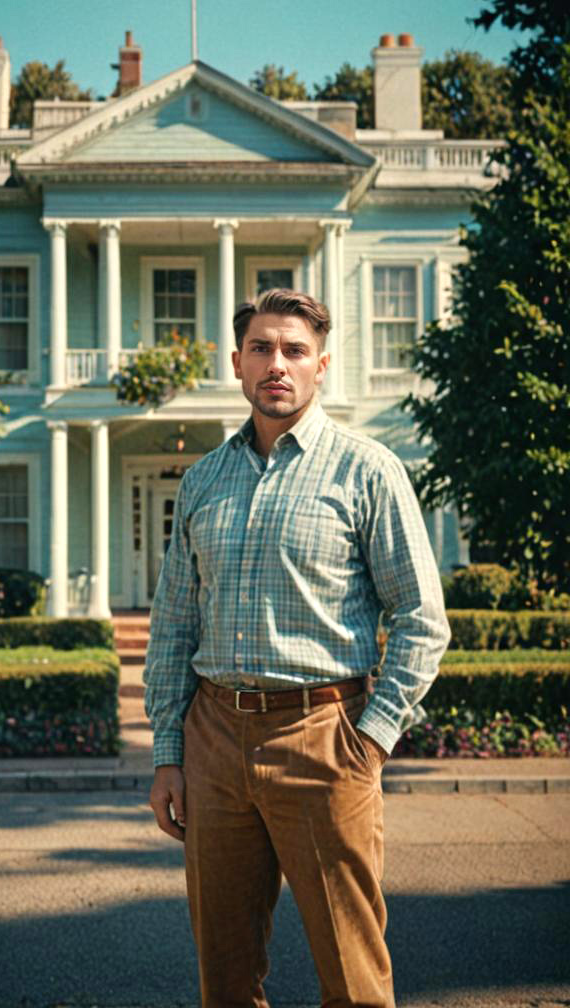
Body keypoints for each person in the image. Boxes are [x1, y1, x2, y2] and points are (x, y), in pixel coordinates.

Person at [143, 288, 450, 1008]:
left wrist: (369, 740)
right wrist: (168, 753)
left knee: (352, 975)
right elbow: (173, 627)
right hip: (214, 742)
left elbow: (421, 618)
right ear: (237, 364)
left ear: (321, 366)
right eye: (261, 348)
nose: (276, 363)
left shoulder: (367, 471)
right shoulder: (203, 481)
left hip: (324, 738)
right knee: (224, 977)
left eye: (293, 350)